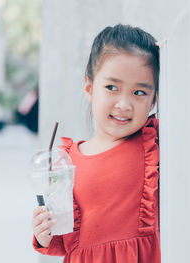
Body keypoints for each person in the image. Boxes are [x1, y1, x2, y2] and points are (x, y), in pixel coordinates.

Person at [31, 24, 160, 262]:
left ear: (154, 99)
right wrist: (44, 232)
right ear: (89, 88)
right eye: (112, 87)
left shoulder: (150, 144)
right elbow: (65, 237)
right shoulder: (66, 161)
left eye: (139, 93)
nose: (124, 104)